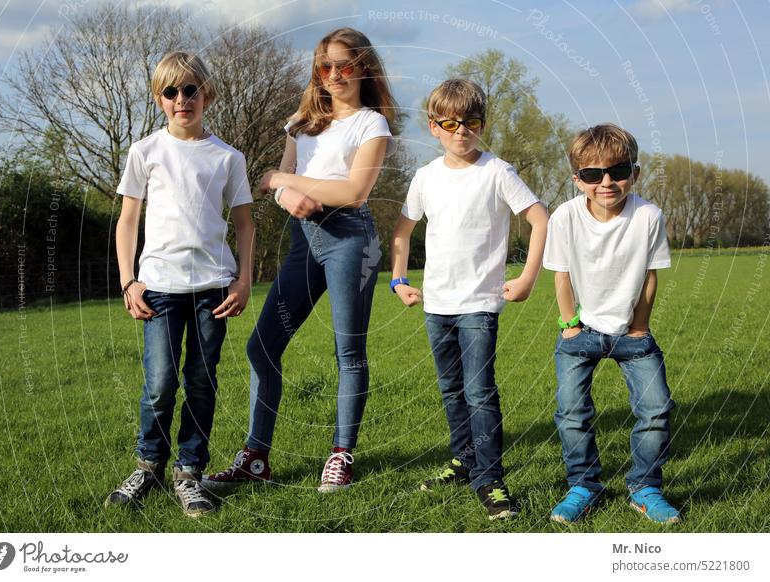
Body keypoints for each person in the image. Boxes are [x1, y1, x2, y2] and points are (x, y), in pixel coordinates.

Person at [203, 27, 396, 494]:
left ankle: (340, 455)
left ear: (364, 67)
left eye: (344, 65)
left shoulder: (372, 124)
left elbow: (353, 191)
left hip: (351, 238)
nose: (333, 75)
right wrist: (282, 188)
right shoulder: (300, 122)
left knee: (348, 353)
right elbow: (273, 176)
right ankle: (255, 459)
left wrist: (289, 186)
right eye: (324, 66)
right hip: (303, 240)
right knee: (262, 346)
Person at [389, 79, 548, 520]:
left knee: (480, 392)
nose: (461, 130)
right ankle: (463, 460)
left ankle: (491, 478)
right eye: (450, 123)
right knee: (451, 389)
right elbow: (402, 232)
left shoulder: (498, 172)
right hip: (436, 305)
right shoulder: (425, 177)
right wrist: (398, 280)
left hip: (479, 303)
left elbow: (540, 219)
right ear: (433, 126)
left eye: (471, 122)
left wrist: (528, 276)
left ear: (483, 124)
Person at [105, 51, 255, 517]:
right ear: (159, 99)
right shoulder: (145, 152)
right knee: (160, 383)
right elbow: (128, 220)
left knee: (202, 382)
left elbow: (246, 225)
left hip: (214, 287)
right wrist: (129, 280)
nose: (181, 99)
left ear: (205, 94)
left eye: (190, 89)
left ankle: (190, 473)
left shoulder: (227, 157)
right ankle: (149, 465)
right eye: (170, 92)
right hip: (159, 287)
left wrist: (244, 280)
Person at [544, 123, 680, 524]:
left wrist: (640, 326)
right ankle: (583, 485)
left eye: (618, 171)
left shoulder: (648, 216)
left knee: (656, 409)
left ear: (633, 173)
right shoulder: (565, 217)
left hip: (631, 335)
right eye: (592, 174)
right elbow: (562, 274)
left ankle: (644, 487)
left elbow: (650, 275)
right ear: (577, 179)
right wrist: (569, 324)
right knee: (571, 412)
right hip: (581, 331)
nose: (606, 182)